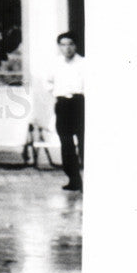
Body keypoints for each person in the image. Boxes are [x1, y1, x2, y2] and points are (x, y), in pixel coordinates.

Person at [49, 32, 84, 191]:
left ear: (75, 46)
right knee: (66, 143)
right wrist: (58, 93)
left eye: (70, 44)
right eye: (63, 45)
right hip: (63, 105)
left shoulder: (84, 63)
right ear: (59, 47)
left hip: (80, 104)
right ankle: (74, 180)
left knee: (84, 141)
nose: (67, 48)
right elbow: (48, 82)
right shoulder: (55, 64)